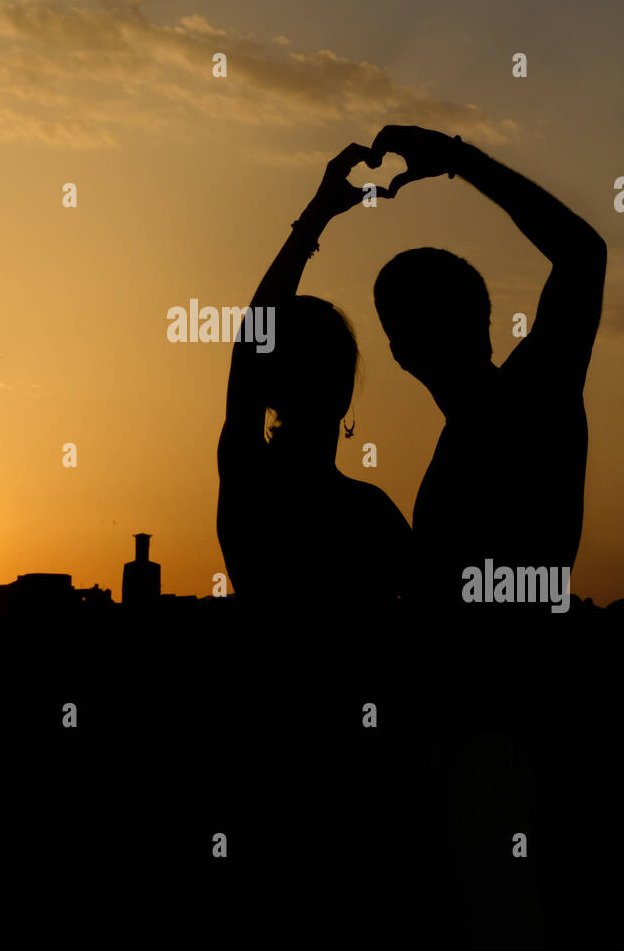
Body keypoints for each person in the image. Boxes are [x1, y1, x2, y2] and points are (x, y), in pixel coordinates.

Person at [370, 125, 606, 610]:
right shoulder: (510, 409)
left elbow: (584, 254)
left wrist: (459, 157)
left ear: (400, 354)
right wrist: (457, 159)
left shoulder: (533, 395)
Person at [217, 143, 412, 608]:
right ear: (346, 389)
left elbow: (251, 344)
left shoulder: (251, 483)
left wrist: (317, 215)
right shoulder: (372, 515)